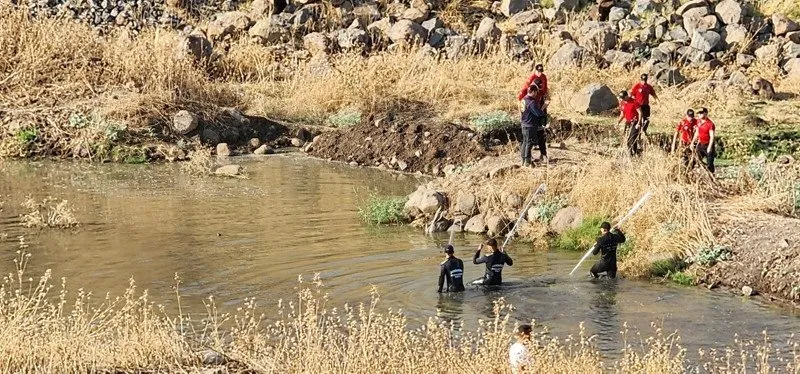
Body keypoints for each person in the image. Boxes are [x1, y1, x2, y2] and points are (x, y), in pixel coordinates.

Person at [520, 83, 548, 167]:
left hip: (524, 123)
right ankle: (527, 162)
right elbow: (538, 113)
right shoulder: (531, 102)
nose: (536, 94)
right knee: (529, 142)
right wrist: (544, 108)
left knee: (525, 142)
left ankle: (523, 160)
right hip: (530, 125)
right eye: (536, 92)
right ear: (533, 91)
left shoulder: (524, 99)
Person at [617, 91, 643, 156]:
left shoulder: (634, 102)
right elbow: (622, 114)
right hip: (628, 122)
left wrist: (638, 123)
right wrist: (618, 122)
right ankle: (630, 153)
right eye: (621, 98)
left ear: (627, 96)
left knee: (632, 138)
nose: (622, 99)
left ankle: (634, 153)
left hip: (635, 122)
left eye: (623, 98)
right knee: (627, 138)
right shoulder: (623, 103)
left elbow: (640, 112)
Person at [691, 107, 716, 174]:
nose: (699, 115)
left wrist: (709, 147)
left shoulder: (710, 124)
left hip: (708, 144)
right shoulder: (698, 122)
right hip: (701, 144)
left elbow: (712, 136)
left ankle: (712, 176)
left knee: (710, 163)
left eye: (701, 113)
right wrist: (692, 142)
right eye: (698, 113)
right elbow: (697, 132)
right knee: (695, 159)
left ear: (705, 113)